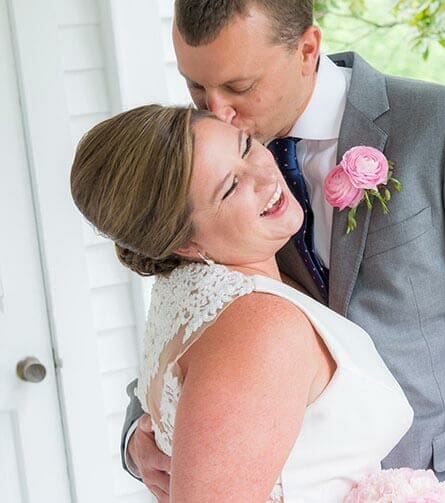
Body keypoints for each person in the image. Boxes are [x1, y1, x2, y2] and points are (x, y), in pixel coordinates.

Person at [122, 1, 445, 501]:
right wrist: (139, 438)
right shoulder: (207, 177)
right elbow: (187, 317)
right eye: (196, 87)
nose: (217, 112)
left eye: (239, 87)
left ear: (307, 49)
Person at [71, 104, 414, 502]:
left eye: (247, 147)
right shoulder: (262, 328)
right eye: (230, 187)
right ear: (186, 243)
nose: (266, 175)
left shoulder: (188, 286)